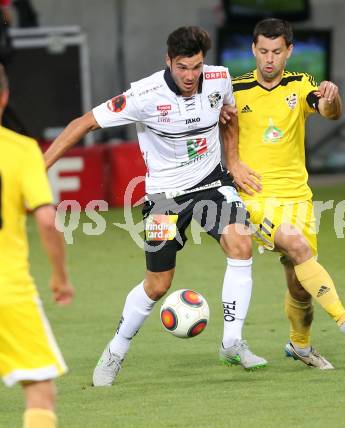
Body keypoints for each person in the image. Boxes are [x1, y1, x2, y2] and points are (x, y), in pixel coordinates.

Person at [44, 26, 267, 387]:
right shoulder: (144, 94)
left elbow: (230, 115)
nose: (191, 76)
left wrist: (235, 160)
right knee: (158, 283)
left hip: (211, 183)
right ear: (168, 61)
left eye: (196, 66)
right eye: (182, 67)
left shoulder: (219, 79)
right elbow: (83, 123)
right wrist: (40, 170)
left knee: (241, 242)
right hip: (164, 196)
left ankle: (232, 342)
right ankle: (115, 350)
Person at [223, 18, 345, 370]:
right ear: (253, 50)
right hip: (255, 198)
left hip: (298, 198)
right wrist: (231, 166)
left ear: (289, 51)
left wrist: (332, 100)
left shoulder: (301, 84)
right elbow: (216, 130)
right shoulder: (235, 90)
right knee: (297, 245)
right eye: (263, 51)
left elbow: (327, 112)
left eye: (277, 51)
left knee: (300, 287)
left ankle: (300, 345)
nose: (269, 59)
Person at [0, 64, 74, 428]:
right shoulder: (21, 150)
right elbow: (47, 219)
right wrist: (60, 278)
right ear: (5, 97)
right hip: (8, 291)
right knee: (39, 389)